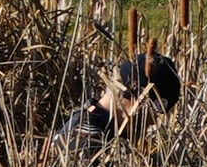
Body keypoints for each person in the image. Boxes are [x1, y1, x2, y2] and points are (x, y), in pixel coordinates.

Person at [50, 49, 183, 157]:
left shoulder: (90, 121)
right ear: (138, 103)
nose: (152, 122)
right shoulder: (88, 136)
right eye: (154, 113)